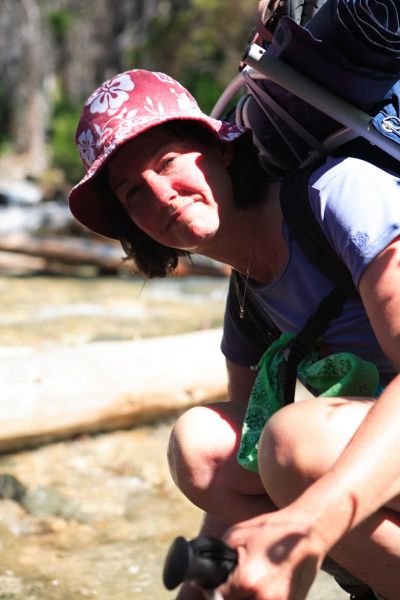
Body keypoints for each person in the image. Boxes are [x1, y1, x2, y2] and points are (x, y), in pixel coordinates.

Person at [69, 68, 400, 600]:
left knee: (294, 443)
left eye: (168, 160)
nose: (159, 194)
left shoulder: (338, 194)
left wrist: (306, 527)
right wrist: (204, 578)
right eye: (133, 191)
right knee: (202, 447)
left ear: (219, 148)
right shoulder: (249, 298)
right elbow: (245, 455)